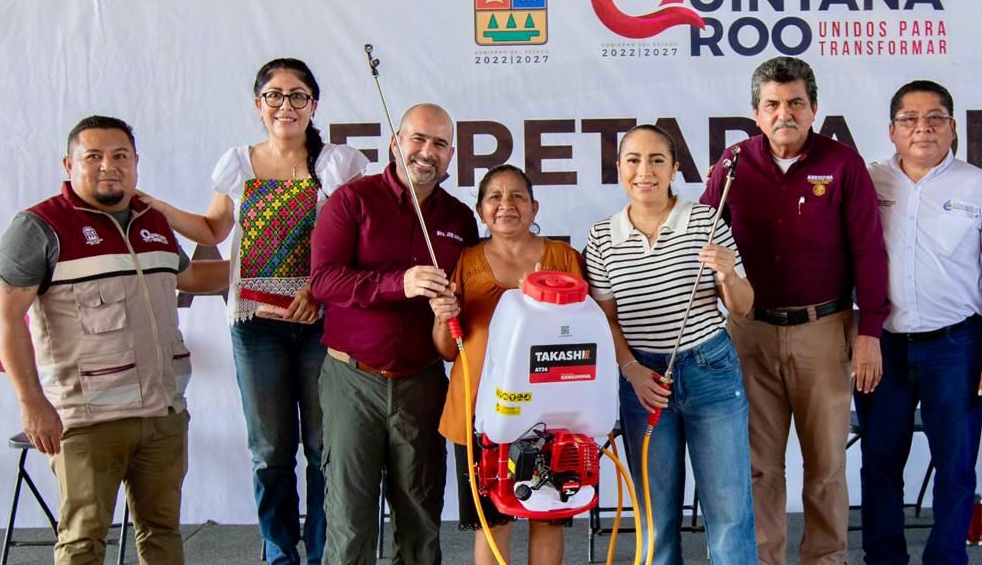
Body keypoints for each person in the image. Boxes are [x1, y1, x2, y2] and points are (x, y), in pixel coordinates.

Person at [140, 59, 369, 565]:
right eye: (274, 95)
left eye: (297, 96)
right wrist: (156, 205)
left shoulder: (340, 164)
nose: (285, 106)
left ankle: (323, 551)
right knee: (269, 450)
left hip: (320, 324)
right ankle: (278, 552)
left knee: (322, 448)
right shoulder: (239, 162)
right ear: (258, 103)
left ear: (314, 104)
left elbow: (355, 240)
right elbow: (211, 231)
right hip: (254, 324)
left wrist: (318, 291)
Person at [0, 115, 226, 565]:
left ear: (136, 163)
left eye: (120, 156)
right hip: (86, 420)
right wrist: (31, 403)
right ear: (69, 163)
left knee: (162, 534)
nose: (108, 166)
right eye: (93, 157)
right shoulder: (39, 227)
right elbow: (4, 318)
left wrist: (271, 269)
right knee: (82, 543)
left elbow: (192, 276)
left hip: (164, 413)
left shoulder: (152, 219)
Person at [700, 56, 889, 565]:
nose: (785, 113)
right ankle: (765, 559)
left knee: (826, 465)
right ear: (756, 113)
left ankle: (825, 559)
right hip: (749, 334)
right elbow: (702, 235)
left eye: (795, 104)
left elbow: (870, 249)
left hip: (823, 331)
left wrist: (869, 330)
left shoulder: (843, 164)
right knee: (759, 466)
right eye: (773, 104)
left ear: (814, 109)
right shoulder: (733, 164)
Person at [310, 103, 479, 564]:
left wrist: (453, 307)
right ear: (395, 143)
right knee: (349, 517)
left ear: (451, 154)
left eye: (440, 144)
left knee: (421, 515)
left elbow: (466, 294)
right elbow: (323, 280)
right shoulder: (353, 200)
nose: (428, 152)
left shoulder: (460, 219)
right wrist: (397, 283)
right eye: (418, 139)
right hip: (352, 378)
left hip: (422, 381)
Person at [860, 80, 982, 565]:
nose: (922, 127)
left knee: (956, 464)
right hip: (883, 345)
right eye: (909, 118)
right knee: (880, 461)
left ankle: (947, 557)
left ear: (953, 127)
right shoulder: (867, 180)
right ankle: (883, 558)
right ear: (891, 130)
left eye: (936, 118)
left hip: (957, 347)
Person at [585, 124, 758, 565]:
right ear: (619, 168)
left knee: (728, 512)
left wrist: (728, 275)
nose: (645, 171)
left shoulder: (705, 219)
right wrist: (631, 370)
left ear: (675, 169)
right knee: (655, 517)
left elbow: (742, 306)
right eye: (634, 160)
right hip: (643, 378)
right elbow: (605, 319)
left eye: (657, 160)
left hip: (710, 371)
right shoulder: (602, 237)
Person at [429, 164, 583, 565]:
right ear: (481, 211)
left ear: (534, 206)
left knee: (547, 515)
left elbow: (584, 335)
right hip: (478, 412)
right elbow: (447, 348)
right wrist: (444, 313)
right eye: (494, 197)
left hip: (551, 414)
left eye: (517, 196)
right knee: (493, 521)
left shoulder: (563, 258)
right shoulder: (466, 260)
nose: (506, 205)